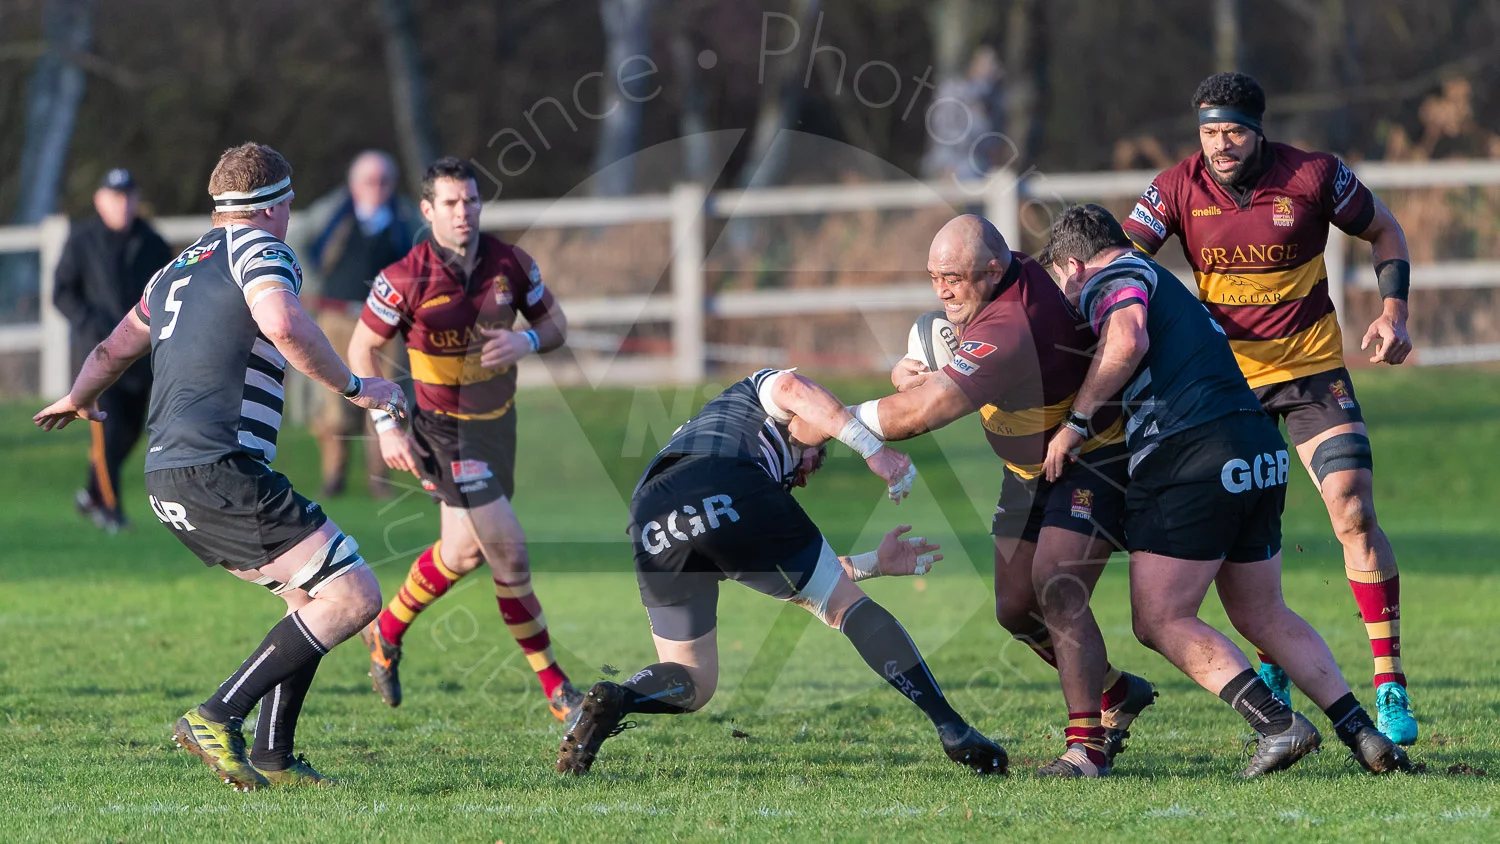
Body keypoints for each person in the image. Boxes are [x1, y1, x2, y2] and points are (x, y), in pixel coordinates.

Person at [34, 142, 407, 790]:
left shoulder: (172, 270)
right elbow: (283, 323)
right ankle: (217, 713)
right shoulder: (261, 250)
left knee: (310, 597)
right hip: (219, 468)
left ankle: (274, 753)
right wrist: (355, 387)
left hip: (167, 478)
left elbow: (111, 348)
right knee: (355, 595)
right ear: (276, 206)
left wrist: (77, 397)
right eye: (288, 206)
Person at [1040, 204, 1409, 777]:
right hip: (1259, 445)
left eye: (1061, 285)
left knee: (1159, 618)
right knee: (1264, 612)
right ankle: (1363, 733)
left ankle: (1277, 724)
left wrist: (1076, 422)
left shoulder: (1110, 275)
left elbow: (1127, 338)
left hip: (1191, 454)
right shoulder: (1163, 283)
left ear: (1071, 264)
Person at [1121, 72, 1418, 745]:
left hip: (1311, 372)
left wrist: (1393, 314)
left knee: (1352, 505)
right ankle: (1273, 664)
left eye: (1232, 131)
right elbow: (1119, 261)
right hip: (1223, 384)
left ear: (1259, 128)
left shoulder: (1314, 175)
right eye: (1208, 132)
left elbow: (1386, 231)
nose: (1220, 145)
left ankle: (1390, 682)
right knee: (1247, 528)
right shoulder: (1174, 188)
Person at [556, 367, 1008, 777]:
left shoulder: (701, 431)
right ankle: (951, 728)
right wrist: (874, 451)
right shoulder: (757, 397)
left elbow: (800, 577)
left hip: (651, 513)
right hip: (727, 482)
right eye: (816, 460)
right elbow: (794, 389)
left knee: (692, 678)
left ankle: (618, 698)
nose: (806, 476)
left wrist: (875, 564)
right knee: (849, 611)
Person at [863, 214, 1154, 778]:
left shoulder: (1011, 323)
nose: (942, 289)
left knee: (1057, 587)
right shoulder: (1005, 279)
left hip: (1089, 460)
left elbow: (920, 416)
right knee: (1015, 608)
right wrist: (913, 371)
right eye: (933, 277)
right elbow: (942, 371)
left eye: (953, 276)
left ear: (992, 271)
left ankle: (1086, 746)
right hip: (1024, 472)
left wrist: (831, 421)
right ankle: (1117, 691)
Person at [347, 157, 583, 721]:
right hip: (442, 433)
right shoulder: (404, 278)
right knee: (509, 553)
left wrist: (525, 343)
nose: (464, 212)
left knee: (461, 551)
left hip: (498, 426)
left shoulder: (511, 263)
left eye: (471, 201)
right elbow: (361, 350)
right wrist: (386, 424)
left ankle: (386, 630)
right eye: (451, 203)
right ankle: (558, 691)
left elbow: (556, 326)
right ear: (428, 210)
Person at [52, 168, 174, 532]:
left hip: (142, 358)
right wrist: (91, 327)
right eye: (115, 197)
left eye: (128, 197)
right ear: (100, 200)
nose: (123, 204)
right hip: (100, 356)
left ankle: (91, 493)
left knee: (131, 432)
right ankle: (110, 510)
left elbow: (168, 290)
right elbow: (63, 292)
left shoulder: (152, 241)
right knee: (107, 428)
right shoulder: (82, 240)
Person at [305, 150, 414, 499]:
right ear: (354, 184)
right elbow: (296, 242)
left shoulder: (404, 218)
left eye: (383, 181)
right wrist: (309, 287)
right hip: (336, 317)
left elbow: (422, 258)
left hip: (387, 322)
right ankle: (333, 477)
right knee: (334, 397)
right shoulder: (332, 213)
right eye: (369, 181)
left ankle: (380, 480)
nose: (376, 188)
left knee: (385, 395)